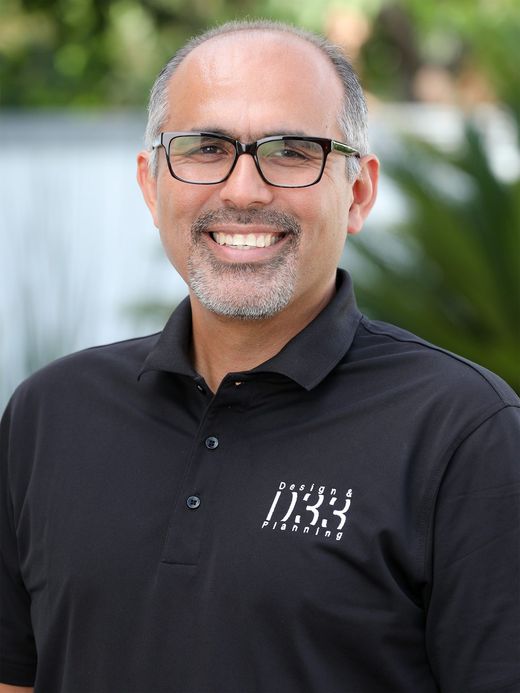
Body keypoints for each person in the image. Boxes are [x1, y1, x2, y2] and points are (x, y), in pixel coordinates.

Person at [1, 19, 519, 693]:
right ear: (150, 184)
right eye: (206, 147)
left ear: (358, 191)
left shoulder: (465, 433)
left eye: (292, 150)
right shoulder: (49, 414)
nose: (243, 190)